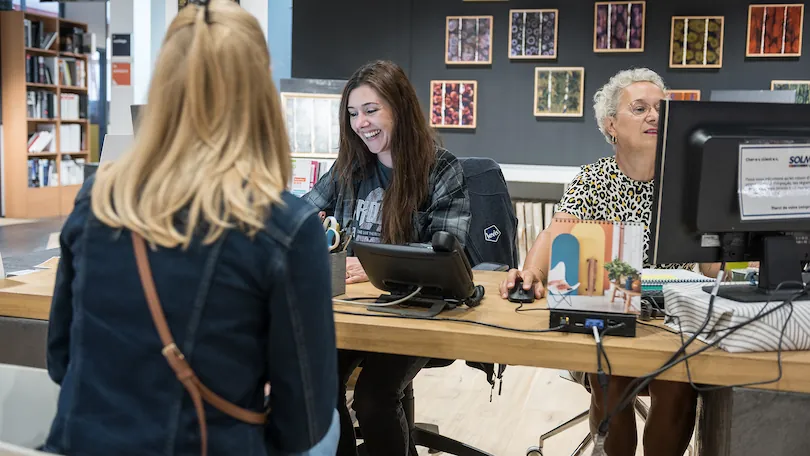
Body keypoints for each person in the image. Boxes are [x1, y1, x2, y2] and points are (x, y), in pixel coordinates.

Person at [42, 1, 338, 455]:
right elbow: (303, 423)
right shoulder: (285, 229)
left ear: (161, 89)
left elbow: (61, 361)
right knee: (333, 425)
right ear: (260, 93)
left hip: (79, 442)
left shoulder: (97, 199)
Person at [499, 68, 709, 456]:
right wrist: (533, 272)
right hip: (606, 317)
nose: (654, 116)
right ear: (611, 124)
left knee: (679, 380)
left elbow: (713, 264)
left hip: (674, 322)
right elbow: (556, 234)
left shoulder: (689, 181)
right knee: (609, 372)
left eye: (661, 109)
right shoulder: (593, 179)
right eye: (640, 107)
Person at [302, 60, 472, 456]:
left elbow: (449, 252)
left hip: (417, 313)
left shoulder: (441, 169)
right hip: (354, 312)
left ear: (399, 107)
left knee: (374, 398)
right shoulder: (350, 166)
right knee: (318, 389)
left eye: (371, 110)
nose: (361, 122)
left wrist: (375, 267)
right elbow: (302, 211)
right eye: (353, 113)